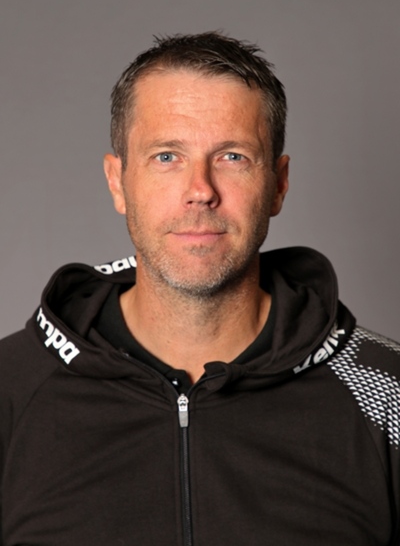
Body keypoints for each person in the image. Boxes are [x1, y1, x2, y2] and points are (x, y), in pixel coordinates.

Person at [0, 32, 399, 546]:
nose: (200, 191)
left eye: (233, 157)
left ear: (278, 184)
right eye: (167, 156)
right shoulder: (10, 390)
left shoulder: (387, 395)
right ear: (118, 181)